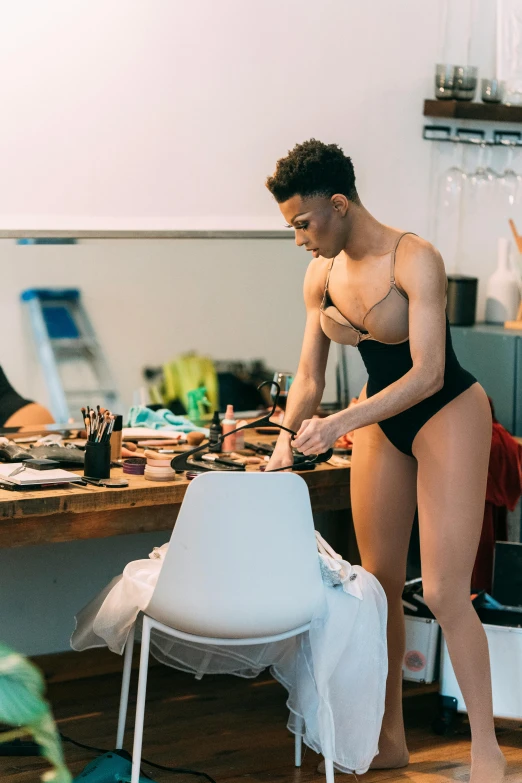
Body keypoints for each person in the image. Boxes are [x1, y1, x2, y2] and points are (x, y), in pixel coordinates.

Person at [264, 139, 505, 783]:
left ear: (338, 204)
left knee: (449, 591)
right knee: (377, 589)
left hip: (446, 410)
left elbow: (427, 373)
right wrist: (285, 440)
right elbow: (309, 379)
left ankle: (487, 751)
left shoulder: (415, 257)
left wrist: (340, 423)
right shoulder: (320, 274)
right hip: (377, 417)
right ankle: (389, 737)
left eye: (302, 224)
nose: (298, 240)